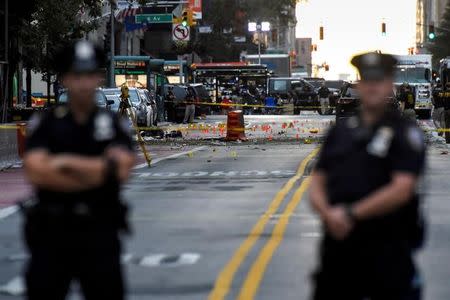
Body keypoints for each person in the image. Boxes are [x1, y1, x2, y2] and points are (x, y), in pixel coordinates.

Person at [22, 40, 136, 300]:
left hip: (99, 232)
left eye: (89, 75)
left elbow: (121, 170)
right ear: (65, 79)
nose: (84, 84)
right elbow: (37, 171)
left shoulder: (112, 123)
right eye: (77, 76)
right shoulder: (46, 123)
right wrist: (99, 169)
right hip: (52, 233)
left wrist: (63, 164)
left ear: (97, 77)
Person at [309, 52, 426, 300]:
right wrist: (329, 215)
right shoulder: (340, 133)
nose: (373, 86)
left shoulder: (405, 134)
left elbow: (402, 188)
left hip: (387, 252)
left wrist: (350, 214)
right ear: (360, 85)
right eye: (368, 80)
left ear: (390, 85)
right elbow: (317, 182)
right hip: (340, 254)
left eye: (380, 80)